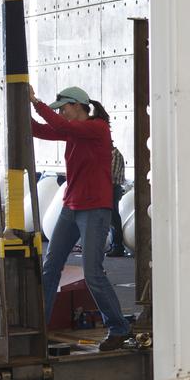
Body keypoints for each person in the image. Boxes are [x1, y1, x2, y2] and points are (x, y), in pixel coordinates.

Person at [27, 85, 131, 351]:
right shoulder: (74, 131)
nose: (61, 113)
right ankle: (40, 328)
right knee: (51, 266)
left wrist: (35, 102)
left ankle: (119, 328)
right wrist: (19, 105)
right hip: (72, 206)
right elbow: (39, 130)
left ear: (77, 105)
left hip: (94, 208)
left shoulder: (96, 128)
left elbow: (58, 126)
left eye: (64, 108)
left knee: (93, 273)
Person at [107, 145, 127, 257]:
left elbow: (111, 176)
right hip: (111, 188)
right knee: (112, 219)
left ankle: (118, 246)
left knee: (114, 219)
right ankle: (115, 245)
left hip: (113, 189)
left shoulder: (115, 155)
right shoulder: (112, 154)